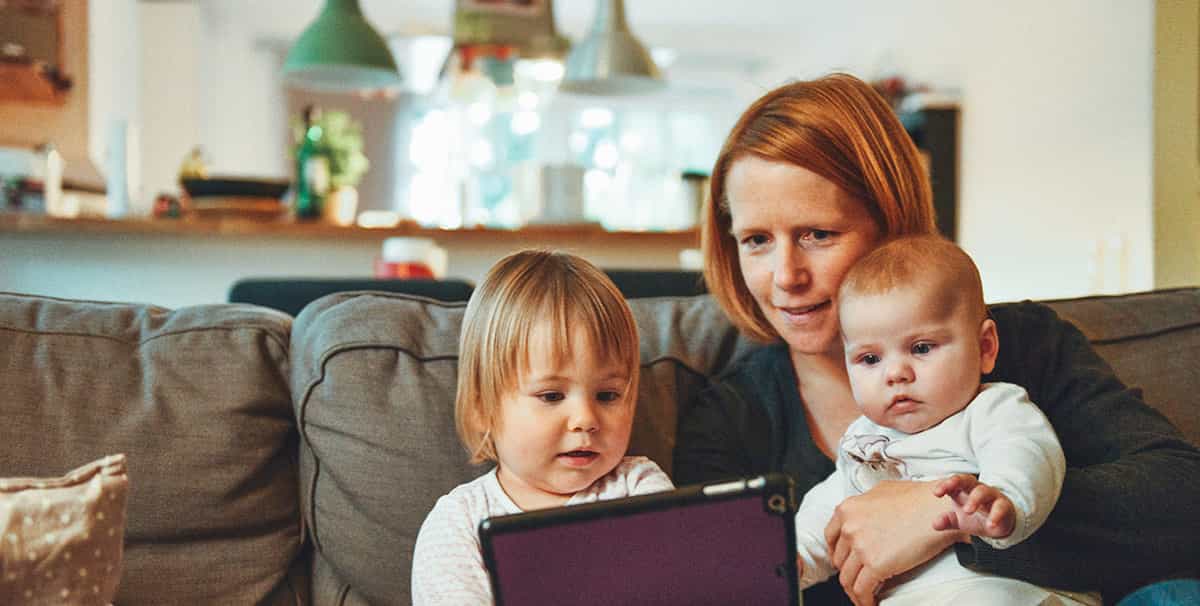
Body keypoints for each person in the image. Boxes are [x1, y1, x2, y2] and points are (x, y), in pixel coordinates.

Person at [672, 73, 1200, 605]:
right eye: (757, 240)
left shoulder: (1025, 346)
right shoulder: (727, 419)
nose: (786, 275)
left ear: (891, 222)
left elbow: (1182, 500)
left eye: (818, 235)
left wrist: (947, 516)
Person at [793, 235, 1097, 605]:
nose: (895, 374)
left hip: (1005, 593)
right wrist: (794, 559)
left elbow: (1027, 452)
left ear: (985, 348)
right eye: (870, 359)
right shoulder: (862, 439)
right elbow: (831, 507)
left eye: (921, 348)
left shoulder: (992, 409)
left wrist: (1005, 500)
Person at [411, 249, 674, 605]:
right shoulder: (458, 525)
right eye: (551, 396)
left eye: (608, 395)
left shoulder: (640, 488)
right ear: (481, 408)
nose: (585, 420)